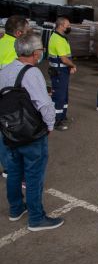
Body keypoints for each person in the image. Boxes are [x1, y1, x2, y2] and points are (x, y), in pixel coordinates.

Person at [0, 34, 63, 231]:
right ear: (36, 53)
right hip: (31, 133)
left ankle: (16, 209)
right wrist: (50, 125)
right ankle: (36, 217)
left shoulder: (4, 69)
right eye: (41, 51)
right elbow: (44, 105)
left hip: (9, 131)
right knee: (34, 175)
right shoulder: (32, 73)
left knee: (14, 171)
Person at [0, 16, 30, 179]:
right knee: (10, 134)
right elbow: (15, 77)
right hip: (8, 98)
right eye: (26, 31)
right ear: (18, 33)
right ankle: (11, 170)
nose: (28, 34)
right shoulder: (14, 48)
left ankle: (7, 167)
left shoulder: (2, 42)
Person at [48, 16, 77, 131]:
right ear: (61, 26)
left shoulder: (61, 37)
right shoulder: (57, 39)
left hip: (63, 70)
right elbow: (64, 59)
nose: (69, 27)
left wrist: (69, 67)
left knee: (64, 96)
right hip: (59, 72)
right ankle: (56, 121)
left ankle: (62, 116)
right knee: (59, 97)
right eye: (68, 25)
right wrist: (73, 65)